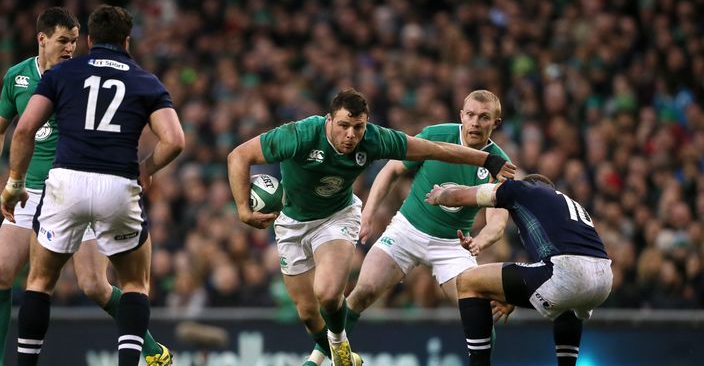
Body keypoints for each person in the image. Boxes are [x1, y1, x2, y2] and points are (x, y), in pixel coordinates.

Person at [227, 89, 516, 366]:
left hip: (346, 219)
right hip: (305, 223)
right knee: (309, 313)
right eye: (343, 126)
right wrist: (242, 209)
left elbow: (434, 153)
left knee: (328, 294)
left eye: (358, 127)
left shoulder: (375, 139)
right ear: (329, 121)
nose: (351, 135)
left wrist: (488, 161)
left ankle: (333, 348)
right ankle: (340, 353)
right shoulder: (299, 134)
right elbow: (238, 156)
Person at [0, 7, 172, 366]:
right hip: (34, 191)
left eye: (74, 41)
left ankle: (152, 348)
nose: (69, 48)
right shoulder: (18, 77)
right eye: (63, 41)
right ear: (43, 39)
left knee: (93, 285)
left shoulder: (76, 75)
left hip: (68, 188)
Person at [425, 174, 613, 366]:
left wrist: (440, 195)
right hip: (603, 277)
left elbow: (461, 197)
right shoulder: (568, 204)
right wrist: (512, 296)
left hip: (566, 272)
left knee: (467, 281)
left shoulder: (522, 190)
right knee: (568, 302)